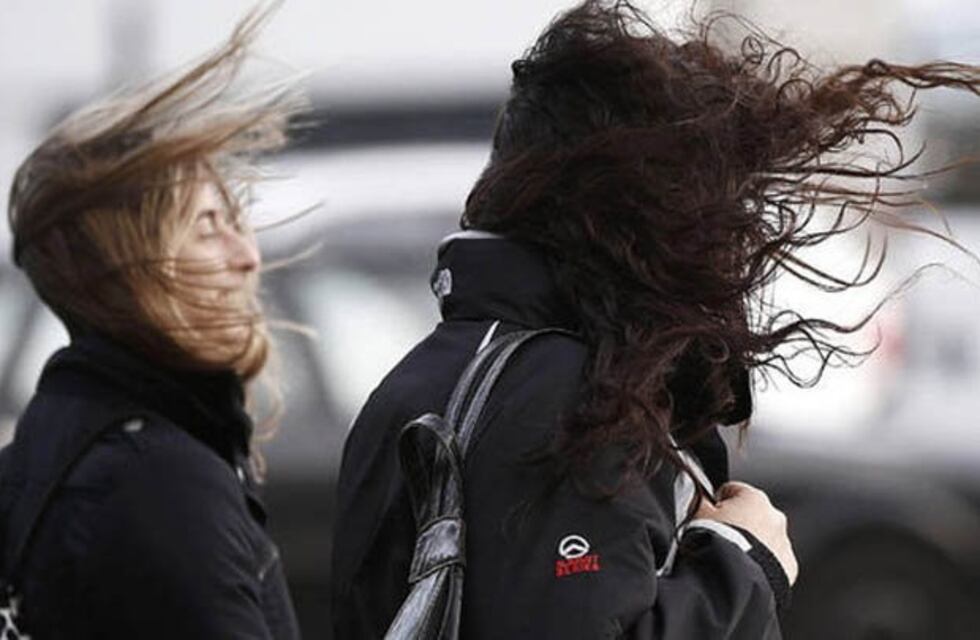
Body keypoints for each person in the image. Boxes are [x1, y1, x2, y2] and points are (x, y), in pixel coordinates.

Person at [330, 1, 980, 638]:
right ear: (638, 212)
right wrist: (742, 561)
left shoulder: (425, 377)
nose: (735, 235)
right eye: (711, 200)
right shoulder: (563, 395)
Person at [0, 7, 305, 639]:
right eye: (205, 228)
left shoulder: (62, 439)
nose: (246, 256)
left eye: (236, 221)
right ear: (124, 268)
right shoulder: (157, 483)